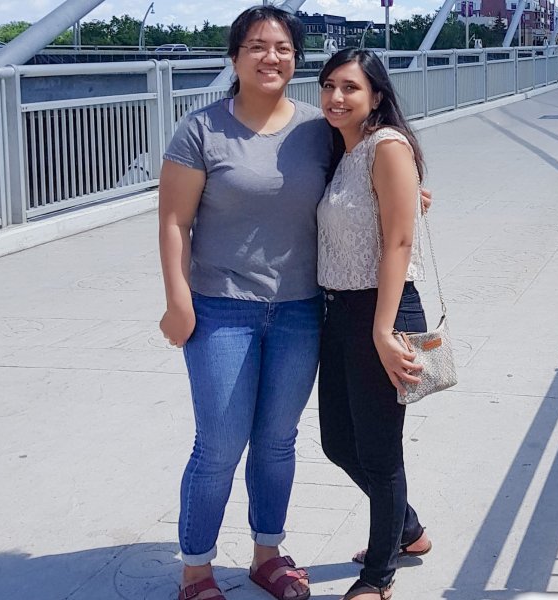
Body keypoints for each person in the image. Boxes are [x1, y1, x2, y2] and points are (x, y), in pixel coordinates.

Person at [158, 7, 325, 600]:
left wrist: (412, 189)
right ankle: (196, 570)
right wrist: (178, 302)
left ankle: (266, 554)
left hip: (301, 309)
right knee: (220, 443)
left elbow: (370, 176)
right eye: (256, 46)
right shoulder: (200, 129)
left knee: (279, 440)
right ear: (235, 58)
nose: (270, 56)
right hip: (221, 308)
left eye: (281, 47)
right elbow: (175, 222)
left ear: (295, 59)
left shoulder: (317, 128)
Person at [316, 48, 434, 600]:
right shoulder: (344, 150)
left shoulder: (386, 146)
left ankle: (378, 576)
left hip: (380, 309)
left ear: (377, 97)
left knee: (381, 454)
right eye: (328, 86)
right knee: (338, 441)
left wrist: (384, 331)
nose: (336, 98)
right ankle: (405, 528)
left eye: (350, 88)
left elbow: (400, 242)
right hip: (339, 310)